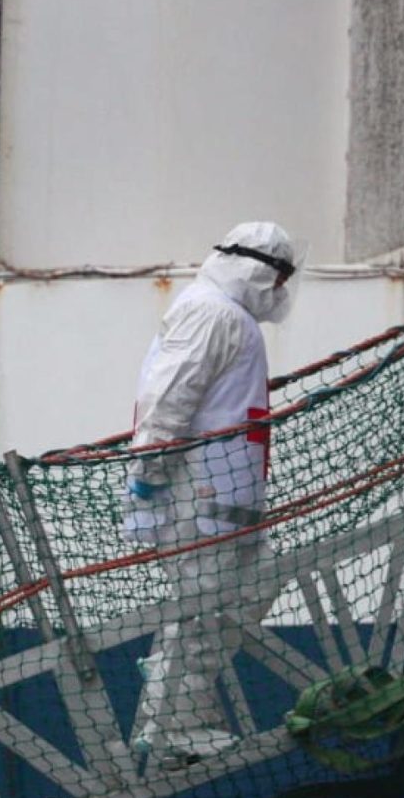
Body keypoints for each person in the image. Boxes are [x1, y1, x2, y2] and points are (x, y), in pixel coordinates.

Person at [123, 221, 299, 765]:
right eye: (280, 276)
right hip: (197, 496)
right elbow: (169, 396)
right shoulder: (213, 311)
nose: (281, 290)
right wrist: (149, 477)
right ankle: (173, 723)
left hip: (229, 498)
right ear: (257, 269)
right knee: (202, 611)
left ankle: (169, 693)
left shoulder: (231, 316)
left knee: (249, 589)